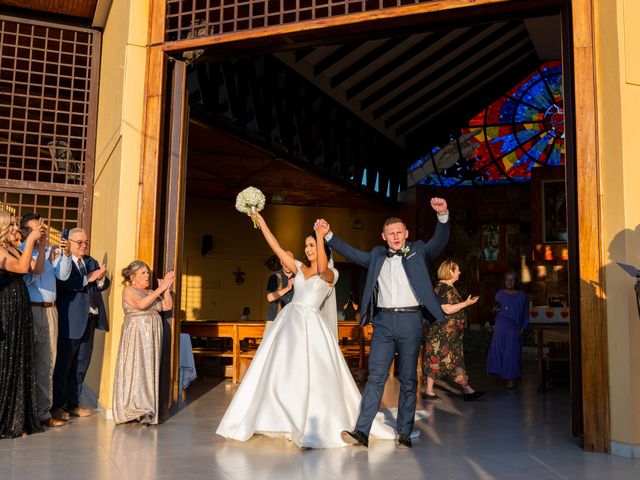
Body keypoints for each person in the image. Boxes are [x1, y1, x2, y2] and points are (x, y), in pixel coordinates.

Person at [216, 212, 398, 448]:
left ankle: (309, 418)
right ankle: (278, 416)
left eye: (311, 244)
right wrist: (261, 222)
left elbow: (322, 267)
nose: (308, 248)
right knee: (281, 369)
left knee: (311, 371)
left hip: (311, 324)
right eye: (307, 245)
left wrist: (321, 236)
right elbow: (277, 247)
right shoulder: (300, 268)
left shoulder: (333, 273)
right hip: (289, 321)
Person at [316, 197, 450, 449]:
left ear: (406, 233)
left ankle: (404, 433)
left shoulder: (419, 250)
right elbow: (353, 254)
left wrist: (442, 216)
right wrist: (329, 235)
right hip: (384, 322)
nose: (396, 237)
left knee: (409, 379)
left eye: (400, 232)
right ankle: (361, 432)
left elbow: (439, 241)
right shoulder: (378, 254)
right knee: (375, 377)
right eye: (391, 234)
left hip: (411, 320)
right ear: (384, 236)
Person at [20, 214, 73, 428]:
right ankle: (23, 413)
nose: (41, 233)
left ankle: (43, 412)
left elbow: (63, 275)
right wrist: (39, 250)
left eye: (42, 230)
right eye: (36, 229)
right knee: (26, 362)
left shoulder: (49, 251)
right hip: (30, 310)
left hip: (51, 311)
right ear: (25, 232)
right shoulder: (22, 251)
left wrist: (66, 255)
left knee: (47, 362)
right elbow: (31, 275)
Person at [52, 228, 110, 420]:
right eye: (80, 242)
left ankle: (74, 404)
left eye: (86, 242)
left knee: (81, 364)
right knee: (64, 364)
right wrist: (89, 278)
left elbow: (102, 284)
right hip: (71, 320)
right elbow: (64, 284)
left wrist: (101, 280)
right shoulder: (61, 261)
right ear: (69, 242)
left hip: (90, 319)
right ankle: (58, 406)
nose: (84, 245)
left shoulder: (91, 261)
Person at [0, 209, 44, 438]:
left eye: (16, 225)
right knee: (6, 361)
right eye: (11, 226)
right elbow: (21, 268)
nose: (15, 229)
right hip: (6, 309)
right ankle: (5, 418)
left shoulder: (13, 248)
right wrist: (29, 241)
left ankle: (17, 418)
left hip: (20, 308)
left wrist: (40, 246)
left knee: (19, 359)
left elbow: (36, 268)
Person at [113, 261, 174, 425]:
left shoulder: (152, 292)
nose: (148, 276)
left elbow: (167, 306)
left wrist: (166, 290)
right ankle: (132, 408)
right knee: (135, 367)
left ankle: (147, 409)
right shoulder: (129, 290)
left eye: (148, 273)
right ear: (133, 277)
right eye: (143, 273)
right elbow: (140, 305)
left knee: (148, 368)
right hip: (136, 334)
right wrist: (161, 289)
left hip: (152, 336)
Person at [422, 260, 485, 402]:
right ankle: (466, 391)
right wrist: (466, 304)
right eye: (457, 270)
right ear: (450, 271)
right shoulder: (444, 288)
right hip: (442, 335)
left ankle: (433, 390)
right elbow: (446, 308)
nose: (459, 272)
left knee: (445, 360)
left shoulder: (446, 287)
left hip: (448, 335)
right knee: (442, 360)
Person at [487, 270, 529, 389]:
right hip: (500, 326)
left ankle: (511, 380)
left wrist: (523, 328)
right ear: (504, 281)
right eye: (507, 279)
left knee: (512, 353)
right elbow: (495, 310)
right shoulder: (499, 293)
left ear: (516, 281)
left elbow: (526, 314)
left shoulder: (521, 295)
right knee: (500, 351)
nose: (509, 282)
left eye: (512, 280)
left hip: (514, 328)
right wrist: (493, 311)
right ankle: (502, 374)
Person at [265, 251, 294, 324]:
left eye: (289, 260)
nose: (287, 264)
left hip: (293, 319)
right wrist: (287, 288)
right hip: (274, 319)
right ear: (281, 262)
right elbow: (270, 297)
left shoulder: (299, 277)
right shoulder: (274, 276)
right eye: (285, 260)